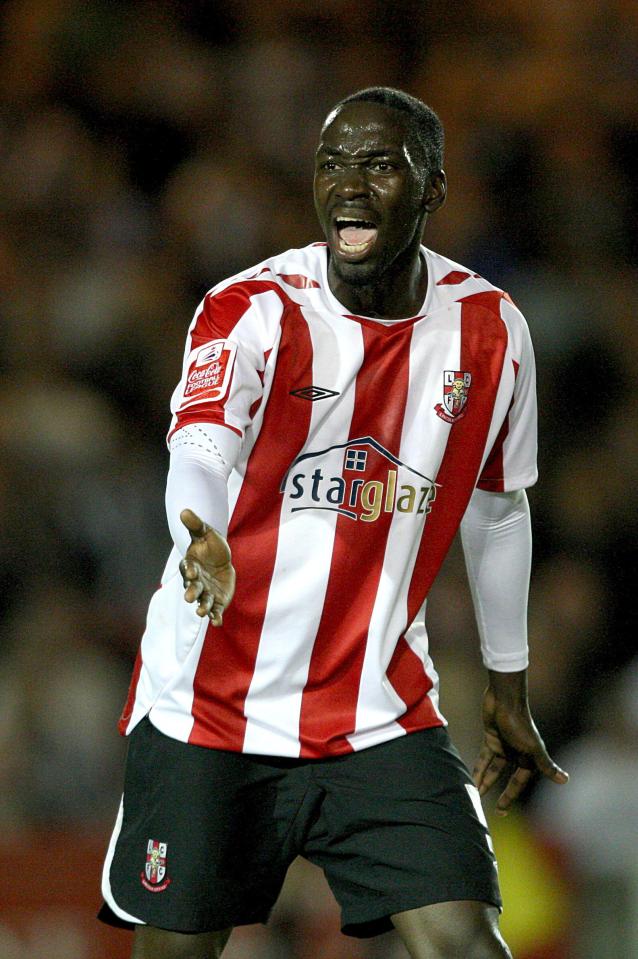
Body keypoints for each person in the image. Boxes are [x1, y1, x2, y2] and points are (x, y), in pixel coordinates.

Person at [99, 87, 568, 959]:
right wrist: (197, 530)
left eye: (378, 164)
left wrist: (509, 681)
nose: (348, 186)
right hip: (214, 706)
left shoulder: (493, 330)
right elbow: (198, 447)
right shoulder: (253, 310)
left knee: (466, 942)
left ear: (432, 188)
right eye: (331, 164)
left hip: (378, 707)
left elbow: (498, 507)